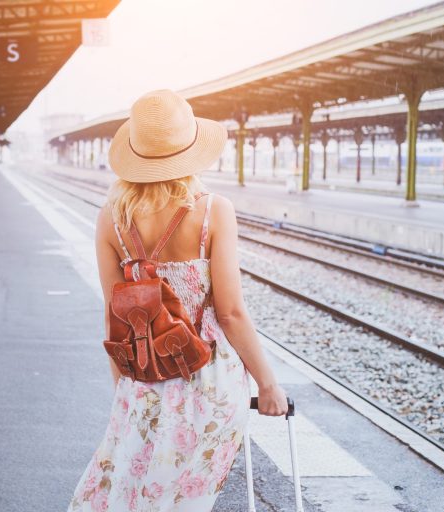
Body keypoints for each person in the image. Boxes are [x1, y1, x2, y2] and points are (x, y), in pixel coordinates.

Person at [67, 89, 289, 512]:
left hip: (143, 380)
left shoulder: (111, 218)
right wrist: (268, 384)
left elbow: (114, 314)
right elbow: (231, 312)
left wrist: (124, 390)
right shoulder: (212, 212)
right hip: (209, 382)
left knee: (134, 494)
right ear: (191, 151)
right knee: (185, 500)